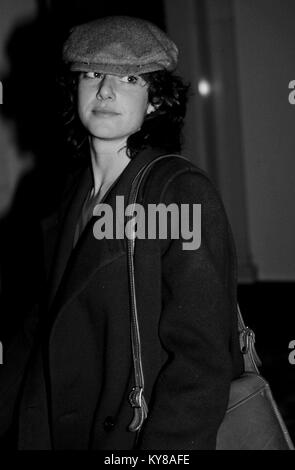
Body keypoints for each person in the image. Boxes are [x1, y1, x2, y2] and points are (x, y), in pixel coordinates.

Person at [0, 15, 243, 450]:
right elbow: (41, 326)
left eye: (130, 78)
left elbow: (200, 362)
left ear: (155, 100)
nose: (106, 91)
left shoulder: (177, 193)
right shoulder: (68, 196)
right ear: (73, 87)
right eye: (92, 74)